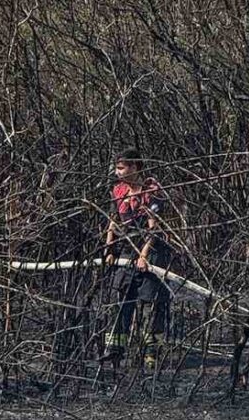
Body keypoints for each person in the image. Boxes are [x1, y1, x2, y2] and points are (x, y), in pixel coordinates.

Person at [100, 147, 172, 367]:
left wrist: (144, 255)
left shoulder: (152, 191)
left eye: (122, 168)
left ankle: (152, 352)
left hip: (152, 253)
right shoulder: (118, 191)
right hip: (126, 252)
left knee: (151, 302)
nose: (118, 172)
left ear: (135, 167)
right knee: (120, 297)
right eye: (117, 167)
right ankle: (115, 349)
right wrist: (109, 248)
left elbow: (154, 228)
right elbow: (112, 220)